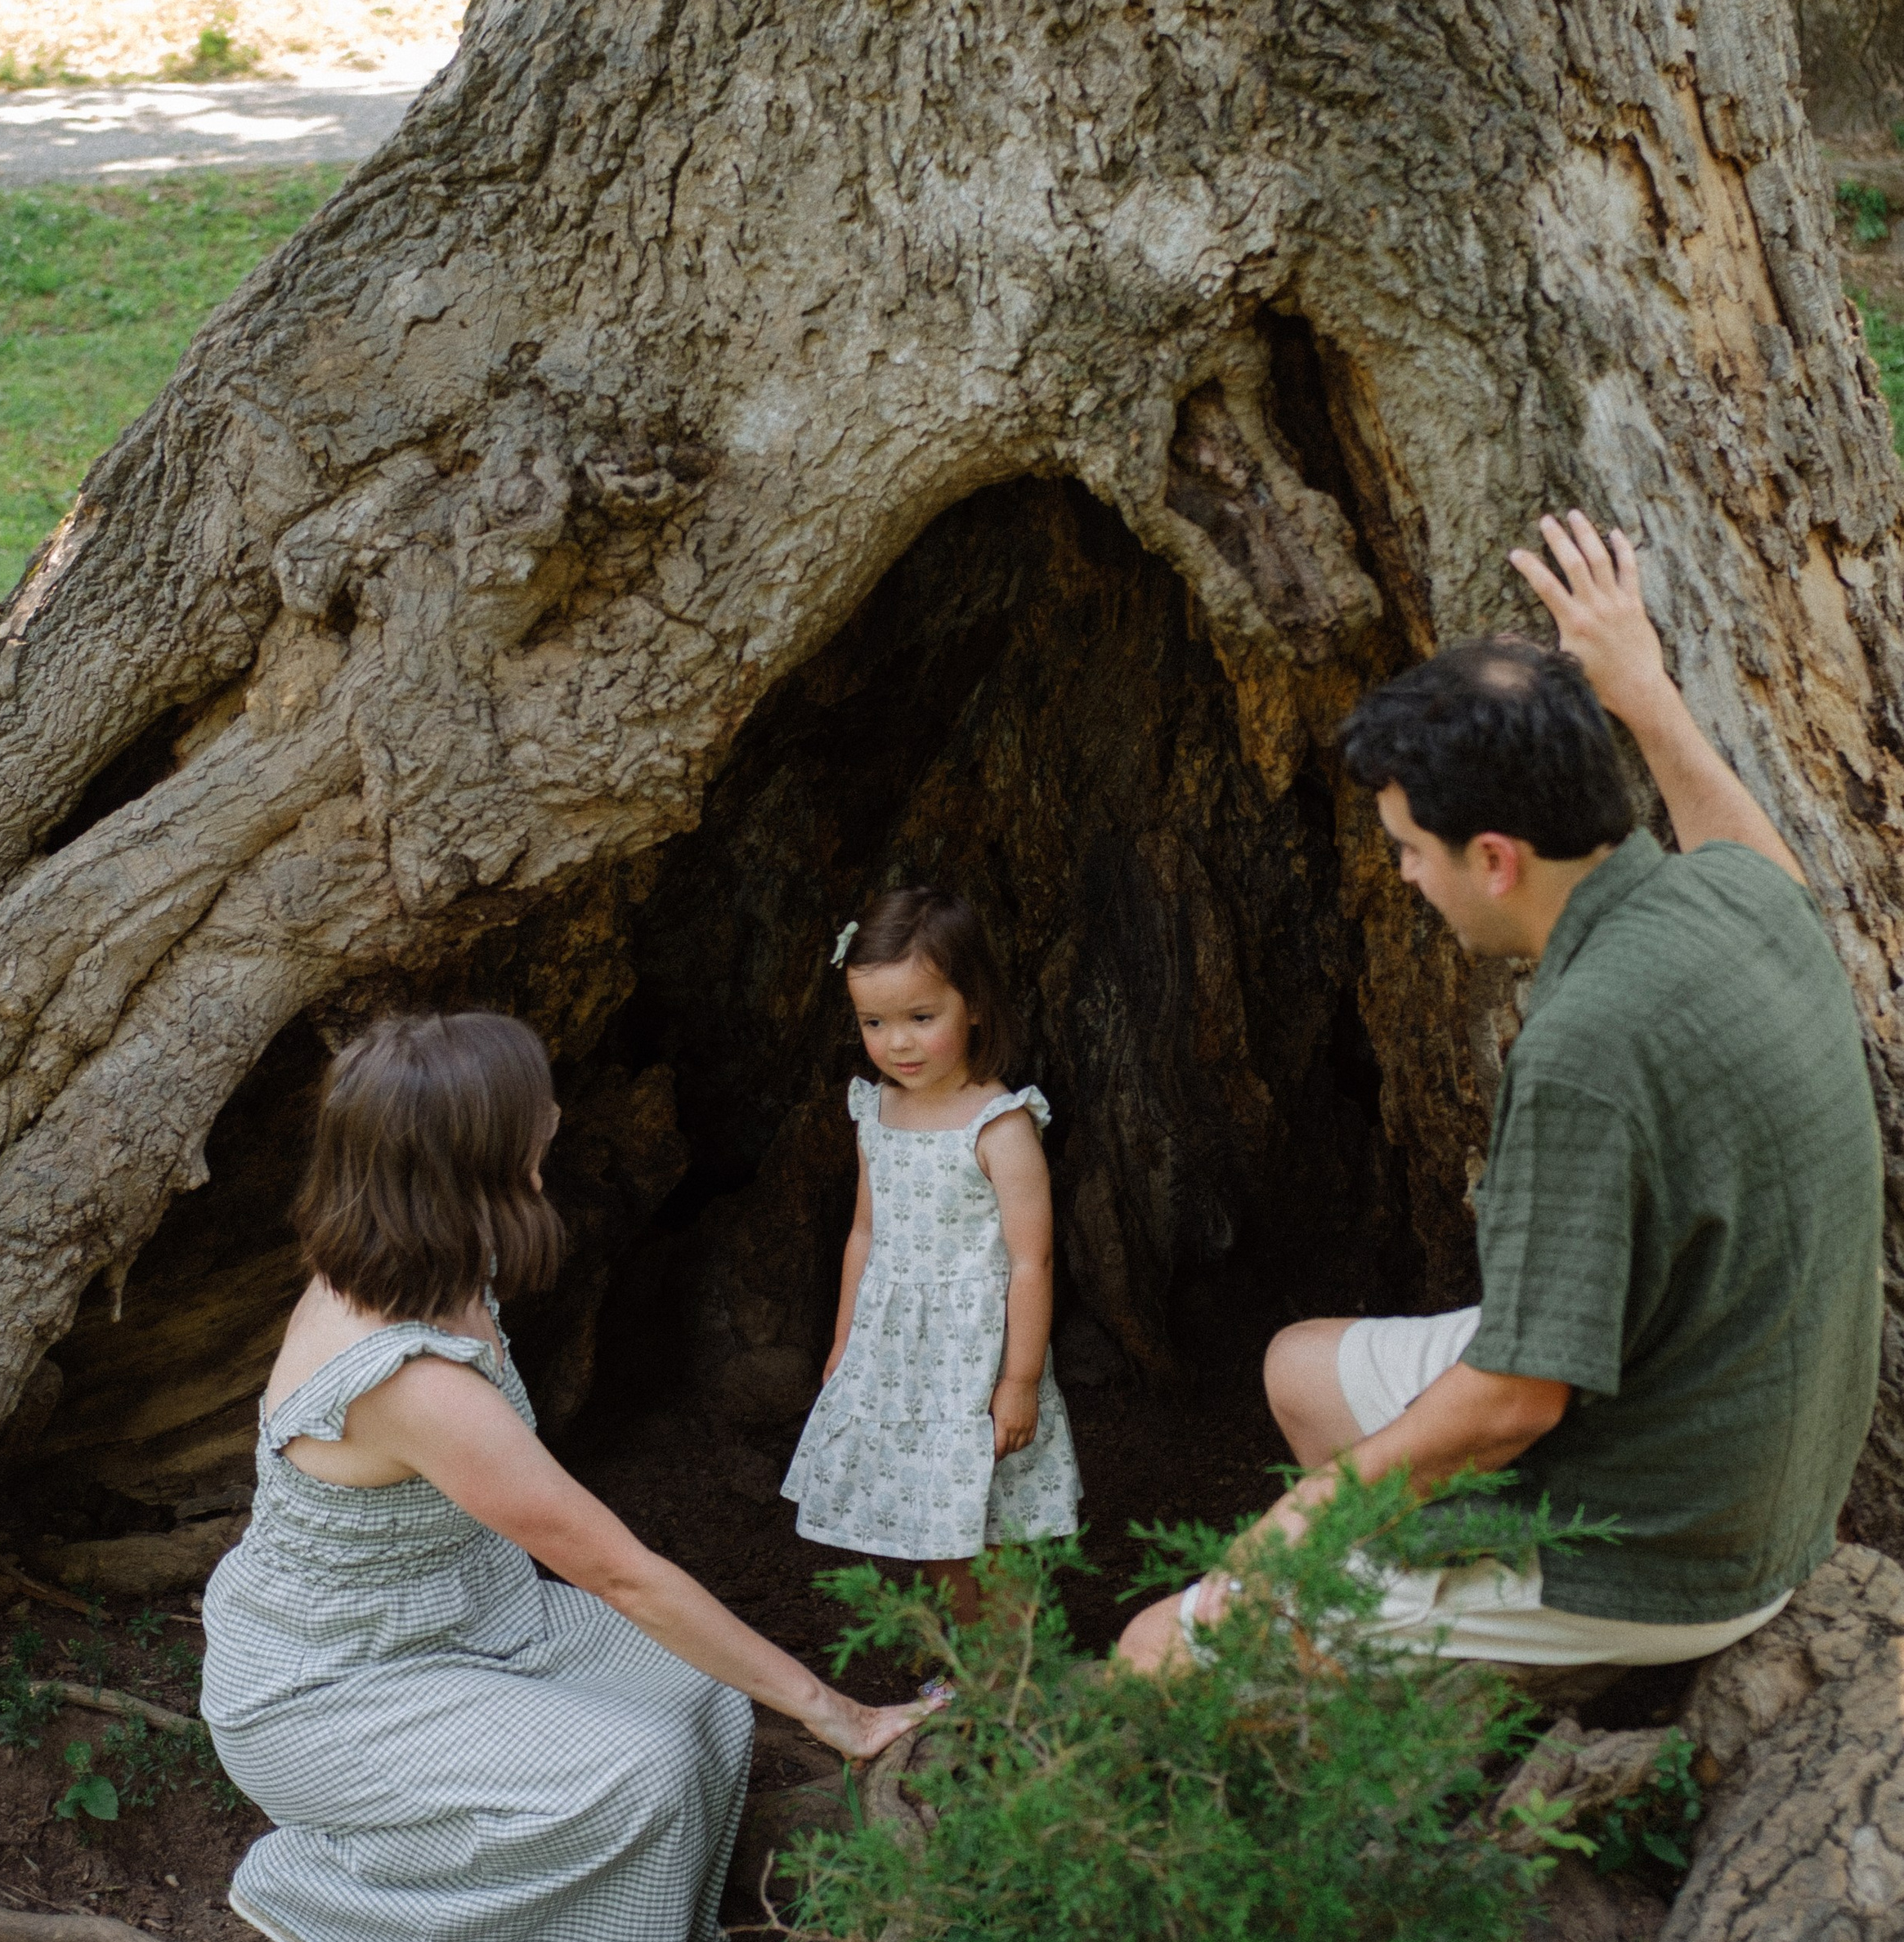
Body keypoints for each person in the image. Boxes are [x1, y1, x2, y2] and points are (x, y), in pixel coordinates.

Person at [1118, 512, 1885, 1681]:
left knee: (1159, 1654)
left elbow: (1516, 1401)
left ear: (1493, 859)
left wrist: (1301, 1530)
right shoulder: (1733, 901)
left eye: (1409, 850)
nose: (1405, 877)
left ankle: (1510, 1668)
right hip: (1742, 1431)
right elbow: (1764, 868)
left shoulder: (1583, 1048)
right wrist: (1647, 695)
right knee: (1303, 1372)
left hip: (1664, 1550)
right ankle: (1434, 1692)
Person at [202, 1010, 924, 1942]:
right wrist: (833, 1712)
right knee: (645, 1772)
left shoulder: (431, 1258)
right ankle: (345, 1906)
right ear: (477, 1155)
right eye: (533, 1108)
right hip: (331, 1685)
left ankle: (576, 1895)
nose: (554, 1115)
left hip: (459, 1619)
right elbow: (620, 1572)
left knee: (700, 1693)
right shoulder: (408, 1380)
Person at [781, 888, 1082, 1622]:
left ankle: (1013, 1664)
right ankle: (962, 1656)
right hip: (901, 1359)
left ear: (973, 1004)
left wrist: (1019, 1380)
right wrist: (845, 1339)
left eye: (922, 1018)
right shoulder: (876, 1111)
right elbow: (864, 1234)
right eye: (874, 1022)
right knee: (932, 1521)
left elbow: (1031, 1263)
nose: (898, 1044)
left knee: (1000, 1522)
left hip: (976, 1361)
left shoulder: (1000, 1125)